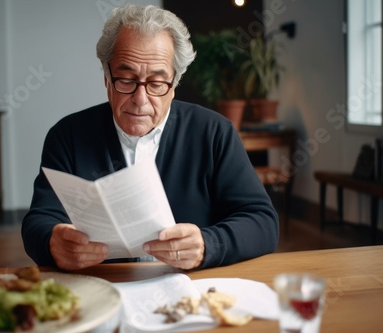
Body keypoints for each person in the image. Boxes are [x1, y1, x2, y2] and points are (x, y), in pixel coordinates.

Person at [22, 4, 279, 271]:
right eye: (126, 79)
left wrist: (207, 244)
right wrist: (53, 242)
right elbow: (39, 220)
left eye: (157, 83)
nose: (140, 100)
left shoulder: (214, 133)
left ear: (175, 84)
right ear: (107, 78)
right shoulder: (68, 136)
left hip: (191, 292)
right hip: (104, 287)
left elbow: (262, 222)